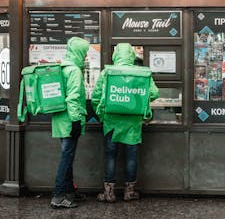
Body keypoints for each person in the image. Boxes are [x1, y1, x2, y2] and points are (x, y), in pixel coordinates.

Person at [92, 43, 159, 202]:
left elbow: (96, 98)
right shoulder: (141, 73)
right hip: (132, 123)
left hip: (111, 122)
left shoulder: (107, 73)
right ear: (131, 55)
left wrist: (102, 116)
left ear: (116, 55)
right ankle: (129, 192)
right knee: (131, 156)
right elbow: (155, 93)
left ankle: (109, 193)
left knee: (110, 155)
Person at [50, 37, 90, 209]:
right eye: (85, 52)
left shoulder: (62, 67)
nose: (87, 56)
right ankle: (58, 196)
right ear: (79, 52)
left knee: (68, 157)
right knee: (66, 158)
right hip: (69, 120)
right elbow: (73, 99)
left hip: (60, 119)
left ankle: (70, 192)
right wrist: (75, 121)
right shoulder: (74, 71)